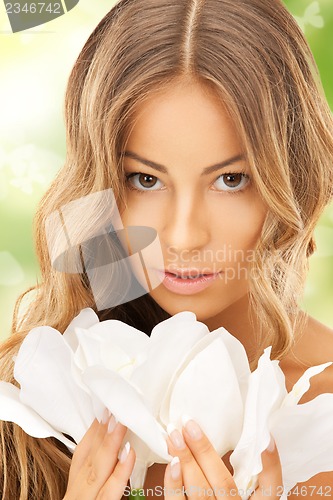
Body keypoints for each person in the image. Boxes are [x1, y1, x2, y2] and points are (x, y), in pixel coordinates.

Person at [1, 0, 333, 498]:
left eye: (231, 179)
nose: (182, 236)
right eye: (145, 179)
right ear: (98, 188)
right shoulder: (27, 414)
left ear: (298, 181)